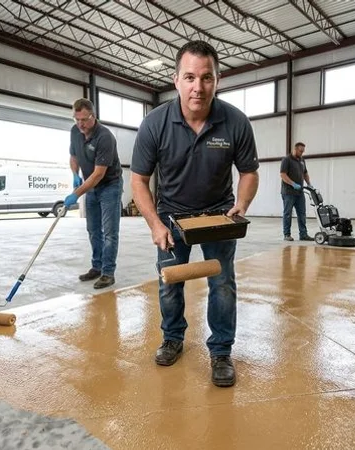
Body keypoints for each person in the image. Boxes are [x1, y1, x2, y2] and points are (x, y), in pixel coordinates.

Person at [130, 40, 260, 388]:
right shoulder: (155, 124)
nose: (198, 87)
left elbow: (249, 172)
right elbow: (138, 180)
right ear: (176, 80)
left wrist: (242, 206)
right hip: (172, 216)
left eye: (206, 78)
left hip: (218, 215)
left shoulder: (235, 122)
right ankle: (172, 338)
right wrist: (155, 224)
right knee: (170, 283)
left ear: (217, 80)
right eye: (190, 77)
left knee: (222, 285)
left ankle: (220, 351)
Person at [66, 98, 123, 290]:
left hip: (109, 186)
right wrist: (75, 174)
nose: (80, 124)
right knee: (92, 230)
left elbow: (99, 174)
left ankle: (108, 273)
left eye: (84, 119)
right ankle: (96, 267)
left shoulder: (105, 137)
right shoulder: (75, 131)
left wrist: (76, 193)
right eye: (77, 119)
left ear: (93, 116)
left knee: (109, 232)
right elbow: (73, 156)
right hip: (91, 186)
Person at [280, 142, 314, 241]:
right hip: (288, 192)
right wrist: (293, 184)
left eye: (303, 151)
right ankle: (287, 234)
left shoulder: (302, 160)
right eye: (300, 151)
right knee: (288, 213)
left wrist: (309, 184)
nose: (302, 153)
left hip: (300, 192)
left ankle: (303, 234)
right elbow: (283, 175)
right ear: (295, 149)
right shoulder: (286, 160)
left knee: (302, 213)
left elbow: (305, 173)